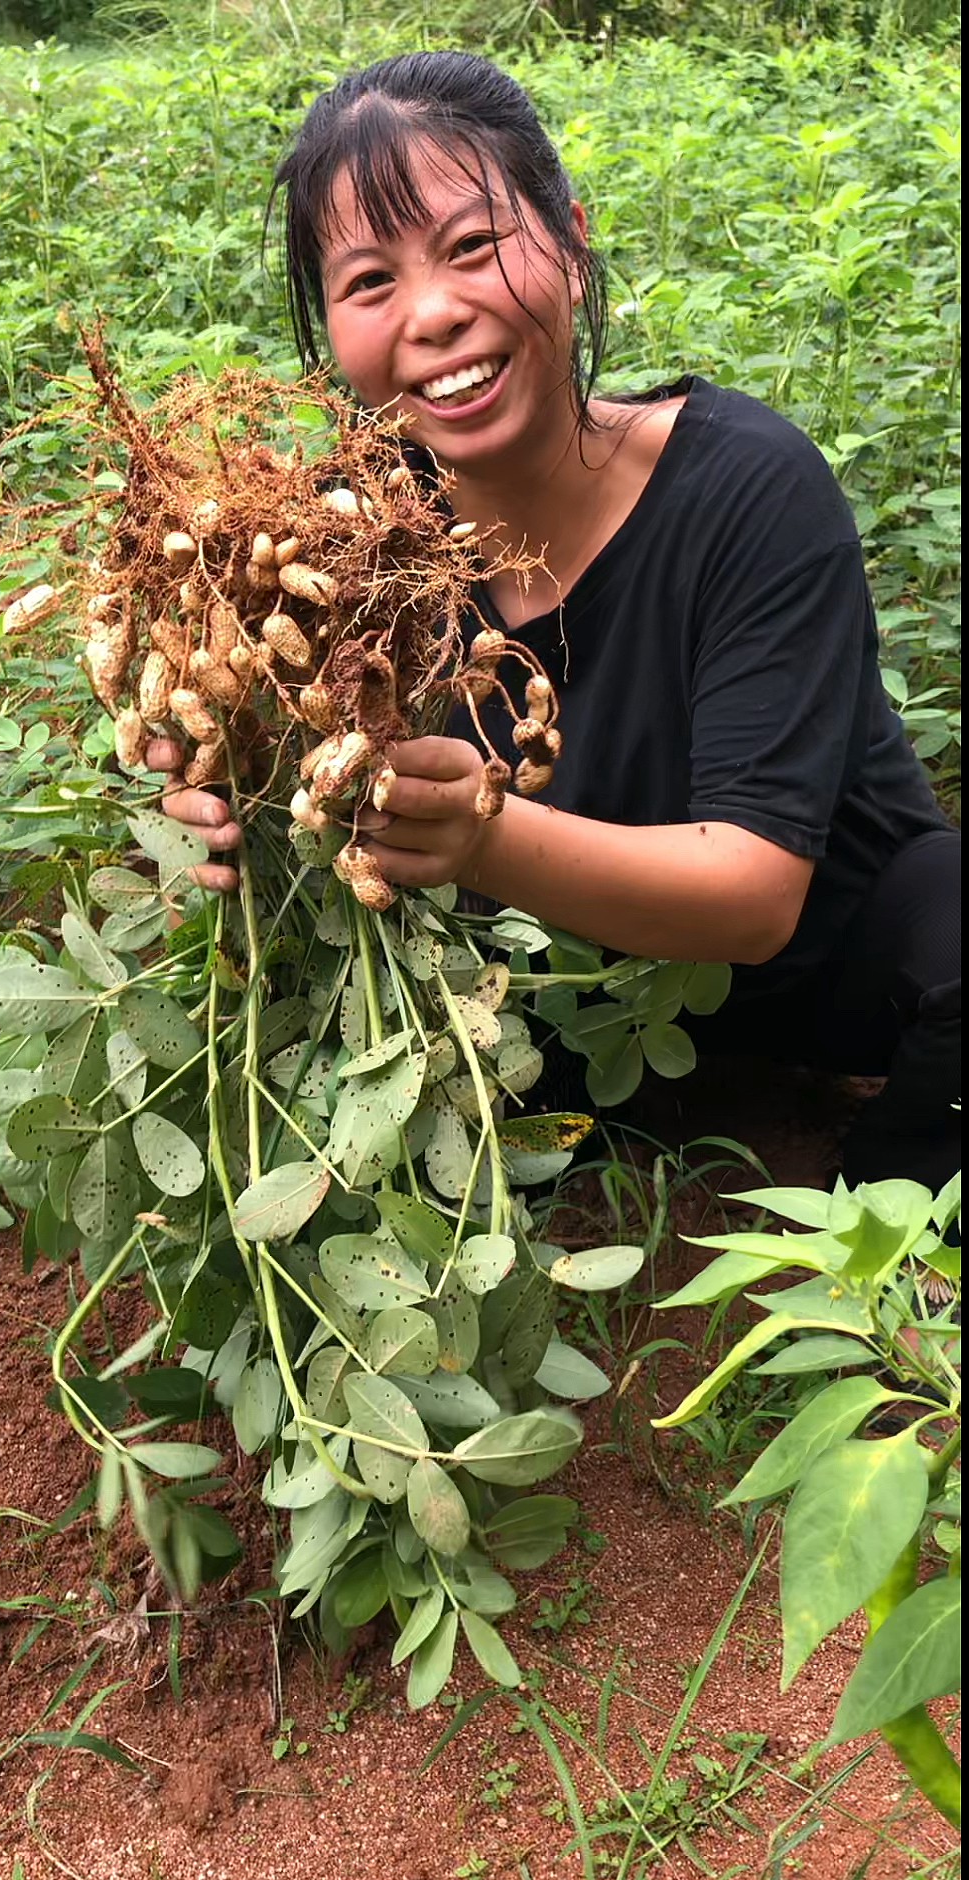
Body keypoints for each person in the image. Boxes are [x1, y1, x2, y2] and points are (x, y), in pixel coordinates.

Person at [148, 49, 960, 1197]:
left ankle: (896, 1213)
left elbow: (755, 893)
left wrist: (476, 837)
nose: (432, 315)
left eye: (475, 247)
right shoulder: (341, 535)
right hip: (558, 1011)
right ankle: (602, 1135)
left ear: (571, 246)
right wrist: (237, 783)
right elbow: (305, 786)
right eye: (369, 282)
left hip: (826, 966)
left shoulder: (750, 488)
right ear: (330, 326)